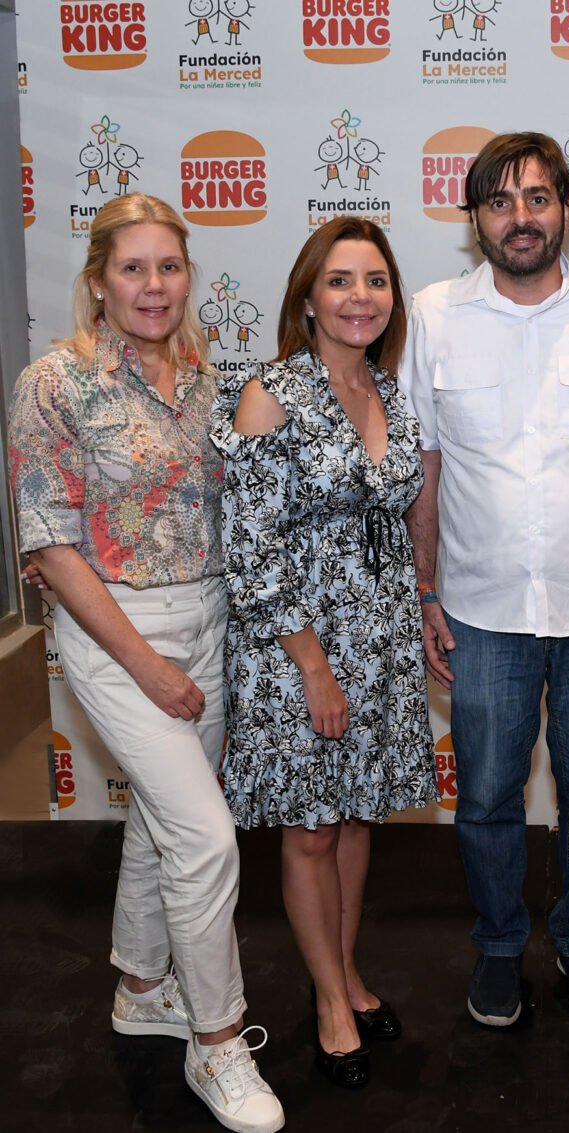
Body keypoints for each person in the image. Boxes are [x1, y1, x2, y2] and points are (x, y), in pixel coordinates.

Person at [7, 194, 284, 1133]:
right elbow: (50, 548)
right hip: (115, 631)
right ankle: (217, 1040)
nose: (154, 285)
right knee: (205, 837)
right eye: (133, 268)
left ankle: (139, 987)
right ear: (98, 281)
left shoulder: (207, 378)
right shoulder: (53, 383)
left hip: (211, 619)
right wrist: (149, 668)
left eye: (169, 266)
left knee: (164, 821)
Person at [399, 131, 569, 1028]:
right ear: (475, 218)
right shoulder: (433, 315)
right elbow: (424, 466)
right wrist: (426, 592)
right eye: (500, 201)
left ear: (565, 208)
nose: (520, 218)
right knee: (485, 799)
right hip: (480, 612)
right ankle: (498, 945)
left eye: (538, 198)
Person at [210, 218, 437, 1089]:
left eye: (375, 281)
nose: (359, 297)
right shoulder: (272, 393)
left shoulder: (388, 390)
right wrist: (312, 665)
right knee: (310, 828)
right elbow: (252, 546)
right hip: (296, 646)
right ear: (307, 297)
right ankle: (331, 1005)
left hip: (378, 642)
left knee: (353, 815)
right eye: (340, 281)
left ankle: (341, 970)